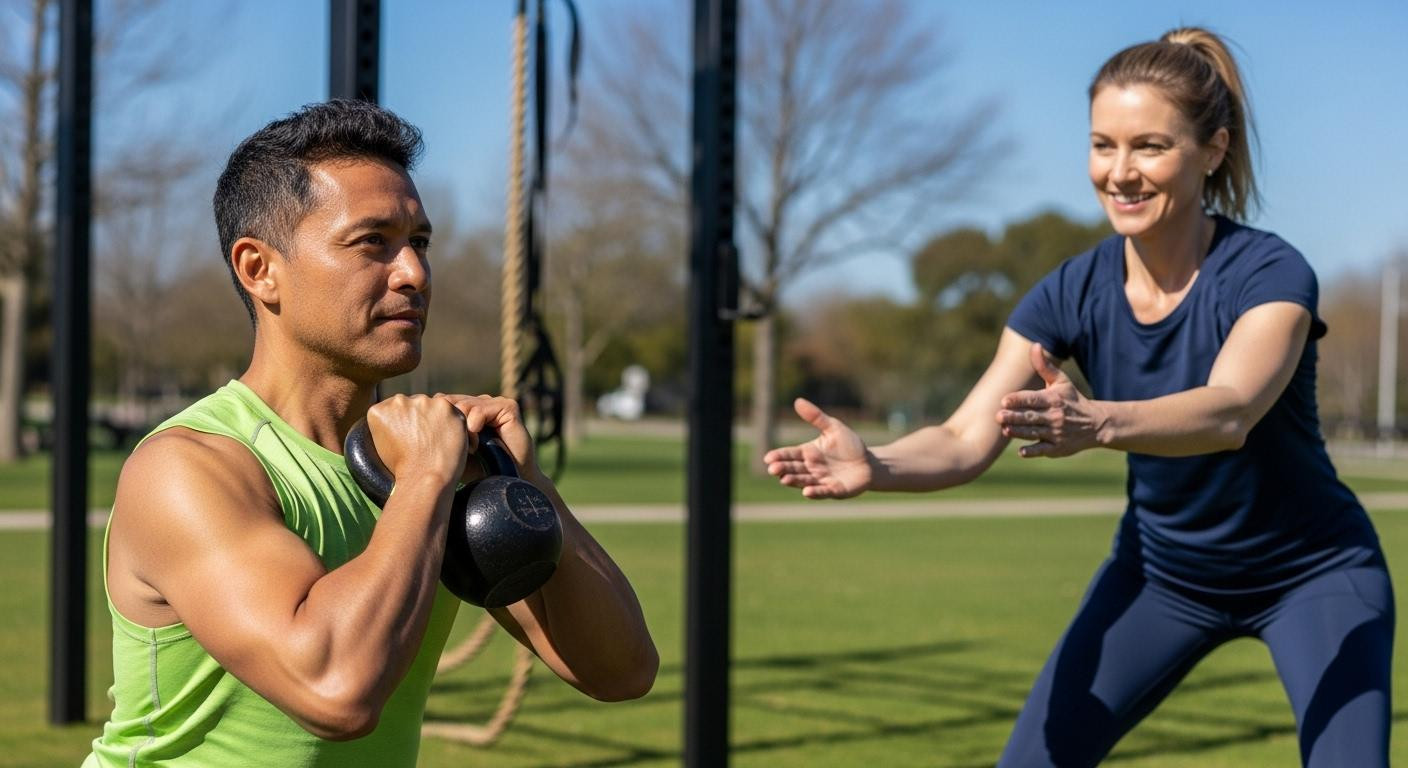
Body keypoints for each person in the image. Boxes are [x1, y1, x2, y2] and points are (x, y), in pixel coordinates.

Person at [765, 27, 1392, 768]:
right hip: (1162, 577)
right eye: (1103, 145)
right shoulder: (1071, 291)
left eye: (1149, 147)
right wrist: (877, 463)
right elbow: (965, 437)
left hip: (1313, 574)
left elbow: (1230, 410)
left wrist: (1096, 422)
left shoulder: (1269, 273)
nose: (1120, 173)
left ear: (1213, 150)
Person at [84, 100, 658, 767]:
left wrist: (526, 482)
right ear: (259, 269)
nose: (414, 273)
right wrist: (427, 477)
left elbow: (620, 670)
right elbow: (335, 691)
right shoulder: (189, 468)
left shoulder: (428, 468)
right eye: (372, 242)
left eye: (420, 242)